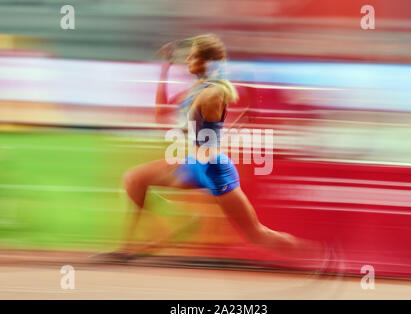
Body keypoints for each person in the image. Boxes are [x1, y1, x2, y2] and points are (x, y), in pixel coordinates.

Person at [103, 34, 327, 268]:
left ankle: (316, 254)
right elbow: (162, 114)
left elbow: (192, 127)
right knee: (134, 180)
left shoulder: (212, 93)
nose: (187, 60)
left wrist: (195, 125)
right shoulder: (198, 89)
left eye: (192, 56)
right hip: (193, 165)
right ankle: (130, 247)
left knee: (257, 234)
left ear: (206, 61)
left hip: (215, 171)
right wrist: (165, 68)